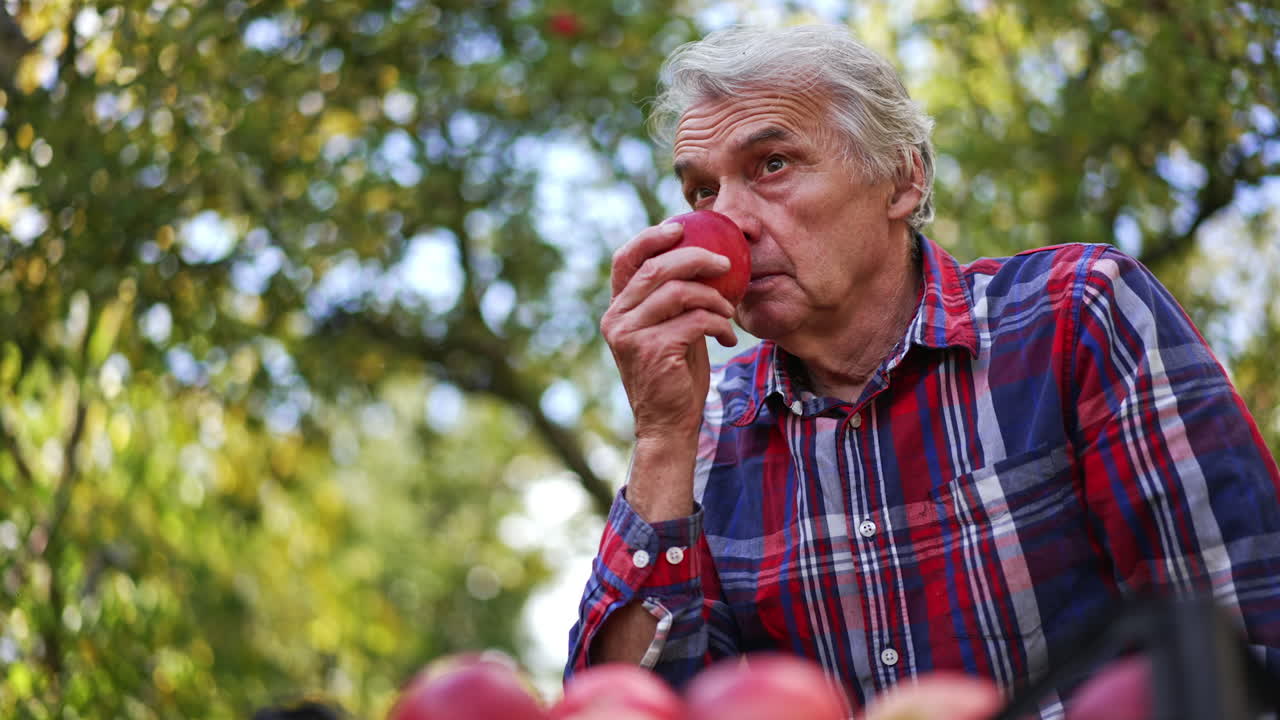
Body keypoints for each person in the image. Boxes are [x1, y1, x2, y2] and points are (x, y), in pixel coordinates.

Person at [565, 23, 1280, 719]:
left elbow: (1239, 642)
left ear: (904, 178)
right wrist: (661, 435)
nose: (728, 222)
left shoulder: (1078, 316)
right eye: (700, 192)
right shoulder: (708, 431)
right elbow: (631, 708)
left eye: (772, 164)